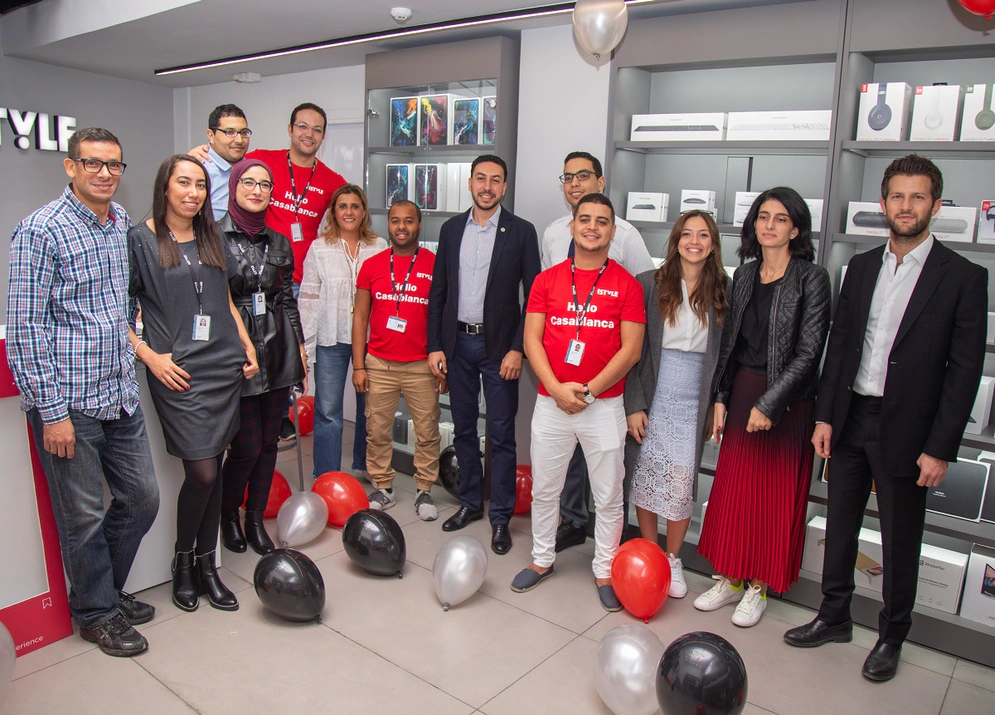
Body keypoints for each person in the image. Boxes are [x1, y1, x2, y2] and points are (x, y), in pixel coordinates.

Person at [784, 156, 987, 682]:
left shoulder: (964, 277)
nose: (906, 206)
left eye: (918, 197)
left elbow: (964, 372)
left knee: (900, 539)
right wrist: (826, 415)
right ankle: (833, 616)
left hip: (910, 430)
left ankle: (892, 635)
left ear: (936, 206)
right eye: (897, 196)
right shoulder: (863, 266)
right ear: (883, 203)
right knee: (841, 522)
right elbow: (841, 345)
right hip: (851, 416)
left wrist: (941, 447)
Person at [6, 127, 160, 658]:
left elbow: (118, 308)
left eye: (114, 165)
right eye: (92, 163)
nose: (104, 173)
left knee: (142, 501)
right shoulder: (40, 231)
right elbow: (24, 329)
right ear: (70, 167)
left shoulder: (119, 223)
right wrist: (51, 412)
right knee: (85, 516)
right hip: (68, 404)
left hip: (119, 394)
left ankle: (102, 595)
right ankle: (95, 613)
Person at [694, 187, 831, 628]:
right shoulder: (745, 276)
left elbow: (810, 352)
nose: (770, 225)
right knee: (733, 491)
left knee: (772, 498)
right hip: (741, 395)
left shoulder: (812, 277)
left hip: (788, 403)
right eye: (763, 217)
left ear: (795, 228)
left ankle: (759, 587)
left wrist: (771, 403)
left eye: (780, 218)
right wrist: (720, 398)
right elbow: (731, 347)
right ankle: (731, 577)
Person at [128, 155, 258, 613]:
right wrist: (148, 357)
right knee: (202, 471)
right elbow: (116, 310)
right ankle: (183, 563)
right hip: (178, 370)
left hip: (222, 363)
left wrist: (245, 342)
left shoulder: (211, 234)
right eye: (183, 183)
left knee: (216, 469)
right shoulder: (140, 240)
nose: (192, 192)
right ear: (165, 187)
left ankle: (209, 567)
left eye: (200, 185)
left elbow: (222, 294)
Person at [511, 193, 645, 610]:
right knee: (546, 489)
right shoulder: (546, 280)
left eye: (601, 221)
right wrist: (555, 388)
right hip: (552, 404)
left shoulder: (628, 284)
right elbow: (532, 339)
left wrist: (586, 390)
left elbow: (631, 350)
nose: (592, 227)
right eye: (584, 219)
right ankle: (541, 560)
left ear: (612, 230)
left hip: (603, 407)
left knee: (608, 495)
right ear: (572, 226)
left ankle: (605, 569)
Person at [542, 151, 656, 552]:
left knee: (609, 471)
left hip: (607, 380)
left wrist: (593, 388)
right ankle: (572, 521)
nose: (575, 183)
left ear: (601, 182)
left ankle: (609, 549)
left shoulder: (626, 235)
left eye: (583, 175)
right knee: (566, 463)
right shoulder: (554, 233)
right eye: (568, 176)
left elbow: (645, 296)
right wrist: (560, 387)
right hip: (561, 379)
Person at [428, 154, 541, 555]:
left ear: (504, 187)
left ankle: (500, 519)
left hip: (499, 352)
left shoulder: (522, 232)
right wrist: (434, 345)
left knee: (502, 435)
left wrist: (518, 349)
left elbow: (534, 298)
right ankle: (471, 504)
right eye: (481, 178)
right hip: (456, 346)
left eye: (495, 180)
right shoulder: (451, 228)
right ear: (471, 183)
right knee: (461, 430)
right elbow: (438, 290)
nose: (487, 186)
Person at [624, 211, 727, 599]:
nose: (695, 241)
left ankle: (671, 558)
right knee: (646, 477)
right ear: (676, 239)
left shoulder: (723, 289)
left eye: (703, 235)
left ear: (713, 244)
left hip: (693, 399)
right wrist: (633, 404)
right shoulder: (649, 284)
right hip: (654, 393)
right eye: (687, 234)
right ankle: (650, 552)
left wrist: (719, 401)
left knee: (682, 484)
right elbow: (630, 351)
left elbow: (727, 353)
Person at [219, 158, 307, 555]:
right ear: (235, 186)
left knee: (270, 444)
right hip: (238, 352)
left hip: (278, 347)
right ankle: (227, 516)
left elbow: (288, 299)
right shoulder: (213, 238)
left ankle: (255, 520)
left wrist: (300, 350)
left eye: (265, 185)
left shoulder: (279, 242)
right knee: (246, 447)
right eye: (249, 183)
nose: (257, 190)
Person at [353, 200, 443, 521]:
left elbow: (443, 316)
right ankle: (383, 486)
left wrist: (442, 361)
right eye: (395, 221)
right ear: (387, 225)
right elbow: (361, 316)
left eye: (408, 221)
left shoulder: (435, 264)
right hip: (379, 363)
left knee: (427, 430)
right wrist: (359, 365)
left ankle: (424, 490)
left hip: (422, 364)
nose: (401, 227)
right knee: (376, 429)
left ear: (420, 225)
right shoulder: (373, 265)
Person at [299, 185, 387, 479]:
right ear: (333, 212)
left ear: (364, 212)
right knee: (328, 411)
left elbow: (387, 295)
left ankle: (365, 467)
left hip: (372, 339)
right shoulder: (319, 248)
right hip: (331, 337)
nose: (348, 212)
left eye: (355, 206)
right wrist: (306, 347)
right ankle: (327, 476)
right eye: (342, 206)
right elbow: (309, 299)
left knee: (370, 408)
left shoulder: (380, 246)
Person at [198, 103, 251, 221]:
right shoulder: (198, 169)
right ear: (211, 135)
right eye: (230, 132)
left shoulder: (252, 171)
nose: (239, 140)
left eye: (244, 132)